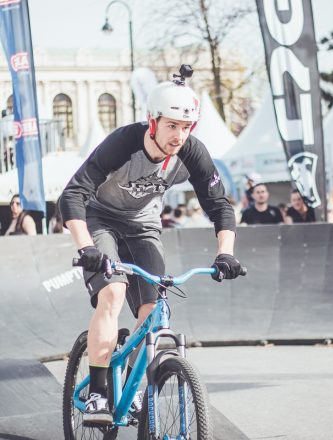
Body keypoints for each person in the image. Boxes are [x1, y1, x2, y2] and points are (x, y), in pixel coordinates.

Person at [59, 67, 242, 425]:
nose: (179, 135)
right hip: (100, 219)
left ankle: (132, 388)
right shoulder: (123, 144)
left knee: (153, 311)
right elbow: (73, 194)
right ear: (152, 121)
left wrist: (226, 253)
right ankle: (97, 391)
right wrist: (86, 250)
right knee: (112, 294)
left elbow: (219, 205)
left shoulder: (192, 152)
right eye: (171, 125)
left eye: (186, 127)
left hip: (143, 226)